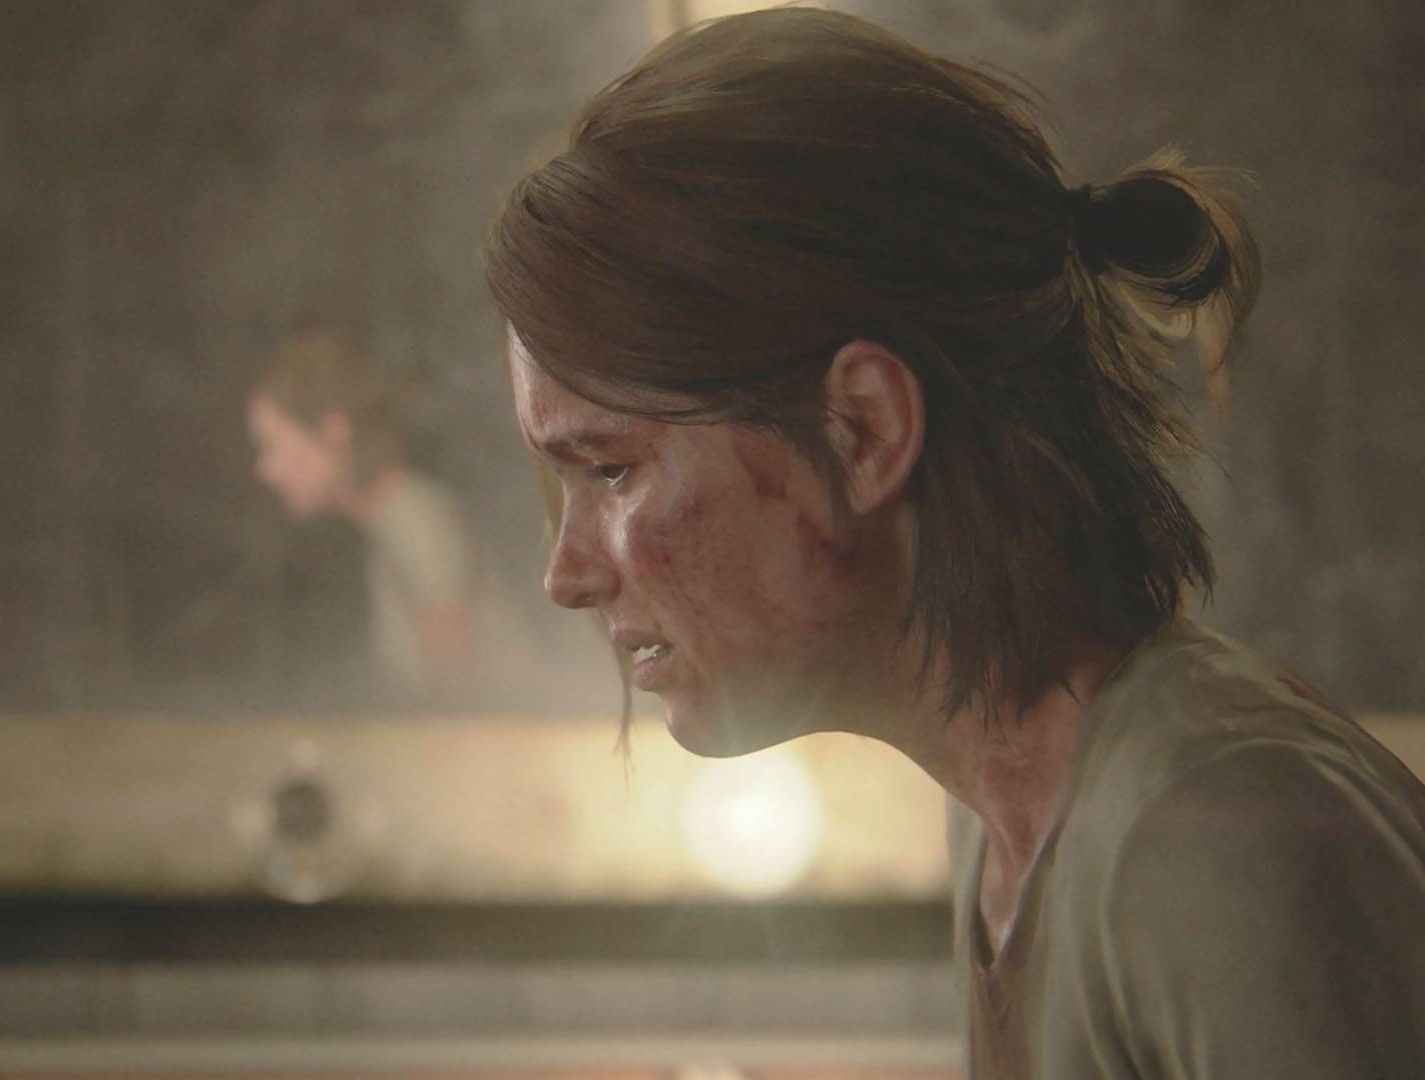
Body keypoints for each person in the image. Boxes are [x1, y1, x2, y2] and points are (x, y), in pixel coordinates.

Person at [486, 8, 1425, 1078]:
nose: (567, 575)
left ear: (864, 430)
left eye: (611, 470)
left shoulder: (1216, 835)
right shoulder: (1007, 822)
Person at [247, 324, 487, 692]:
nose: (266, 470)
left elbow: (458, 686)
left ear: (333, 431)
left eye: (273, 445)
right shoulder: (391, 521)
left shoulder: (413, 517)